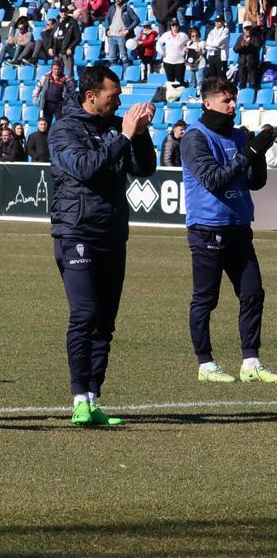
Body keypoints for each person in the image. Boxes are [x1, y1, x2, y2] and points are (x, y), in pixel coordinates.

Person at [49, 65, 157, 426]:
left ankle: (93, 398)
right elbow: (85, 168)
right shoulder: (64, 129)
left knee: (105, 323)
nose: (120, 100)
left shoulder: (116, 128)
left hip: (113, 233)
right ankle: (79, 396)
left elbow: (144, 169)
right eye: (114, 95)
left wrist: (140, 134)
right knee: (85, 314)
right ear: (91, 95)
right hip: (76, 232)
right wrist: (124, 136)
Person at [180, 77, 276, 383]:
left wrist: (258, 151)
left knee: (252, 294)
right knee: (206, 299)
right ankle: (205, 363)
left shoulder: (237, 136)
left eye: (233, 98)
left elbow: (254, 182)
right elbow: (214, 179)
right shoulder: (195, 137)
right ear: (207, 103)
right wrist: (248, 153)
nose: (233, 104)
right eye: (226, 100)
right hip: (207, 229)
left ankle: (250, 361)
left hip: (238, 228)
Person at [34, 61, 74, 127]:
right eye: (55, 69)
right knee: (45, 122)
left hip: (59, 104)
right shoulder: (46, 77)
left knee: (60, 122)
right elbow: (39, 86)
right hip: (47, 103)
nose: (56, 71)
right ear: (52, 69)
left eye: (58, 69)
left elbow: (71, 90)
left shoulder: (65, 79)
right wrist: (35, 95)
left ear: (61, 69)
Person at [104, 0, 139, 66]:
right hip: (111, 36)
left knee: (124, 58)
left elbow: (136, 20)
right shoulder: (112, 7)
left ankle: (126, 75)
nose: (117, 0)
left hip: (121, 36)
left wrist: (128, 29)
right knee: (112, 58)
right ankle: (114, 75)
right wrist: (107, 29)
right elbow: (106, 18)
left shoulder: (128, 9)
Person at [233, 23, 262, 90]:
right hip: (242, 64)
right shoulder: (240, 37)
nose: (247, 30)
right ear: (243, 29)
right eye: (246, 29)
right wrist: (242, 45)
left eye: (249, 28)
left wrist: (248, 45)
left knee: (253, 83)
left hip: (252, 64)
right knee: (242, 83)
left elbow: (257, 48)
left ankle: (253, 98)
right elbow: (235, 49)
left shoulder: (256, 37)